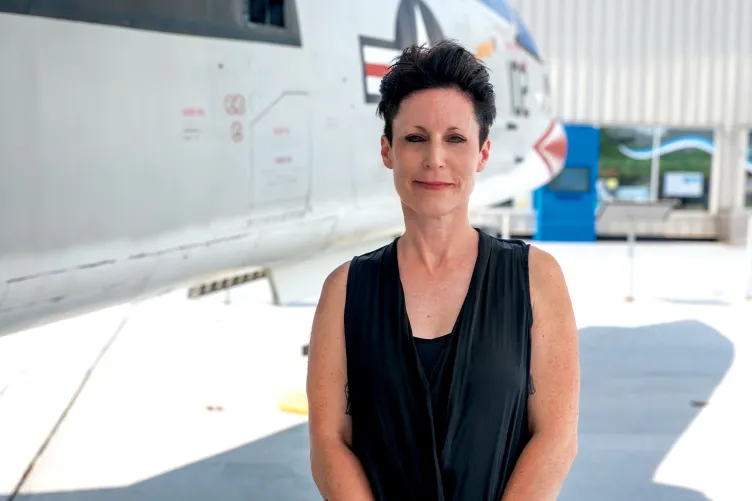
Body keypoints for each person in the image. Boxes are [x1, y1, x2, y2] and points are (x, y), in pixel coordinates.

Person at [306, 39, 579, 500]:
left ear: (482, 153)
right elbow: (329, 441)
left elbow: (556, 438)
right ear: (388, 150)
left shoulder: (535, 278)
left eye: (455, 139)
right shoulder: (346, 290)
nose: (435, 159)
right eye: (415, 138)